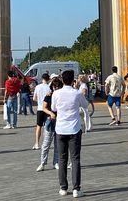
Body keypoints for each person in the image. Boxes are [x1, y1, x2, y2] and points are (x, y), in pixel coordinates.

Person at [51, 69, 88, 197]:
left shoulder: (56, 93)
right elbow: (85, 105)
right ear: (73, 81)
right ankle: (76, 189)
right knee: (75, 159)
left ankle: (63, 187)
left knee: (62, 159)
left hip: (60, 129)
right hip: (74, 129)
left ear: (62, 80)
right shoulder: (77, 93)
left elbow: (53, 108)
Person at [37, 76, 62, 172]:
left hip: (60, 121)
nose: (56, 88)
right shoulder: (48, 96)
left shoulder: (61, 96)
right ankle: (43, 163)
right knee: (46, 144)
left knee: (57, 143)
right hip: (50, 121)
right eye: (54, 86)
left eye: (58, 86)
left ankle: (56, 162)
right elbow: (44, 107)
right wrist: (51, 113)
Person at [33, 73, 52, 149]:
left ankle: (37, 143)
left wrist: (40, 101)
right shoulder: (49, 88)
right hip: (47, 109)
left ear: (42, 79)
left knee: (39, 126)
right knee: (46, 127)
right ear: (48, 79)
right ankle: (45, 143)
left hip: (40, 108)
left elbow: (34, 98)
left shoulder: (38, 87)